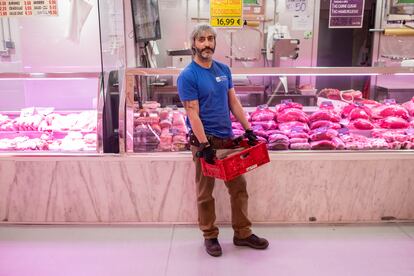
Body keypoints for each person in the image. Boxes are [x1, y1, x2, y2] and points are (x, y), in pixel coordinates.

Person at [177, 23, 269, 257]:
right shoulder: (188, 75)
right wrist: (204, 145)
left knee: (239, 188)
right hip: (204, 142)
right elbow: (192, 112)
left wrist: (248, 130)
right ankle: (210, 236)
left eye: (210, 39)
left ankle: (243, 233)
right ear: (193, 44)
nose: (207, 43)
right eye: (201, 40)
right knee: (205, 193)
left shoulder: (223, 70)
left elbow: (233, 102)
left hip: (227, 141)